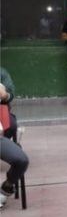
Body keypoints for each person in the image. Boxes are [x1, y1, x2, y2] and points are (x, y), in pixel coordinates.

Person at [0, 68, 28, 209]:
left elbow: (9, 95)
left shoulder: (2, 73)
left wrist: (4, 95)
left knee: (21, 160)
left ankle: (5, 189)